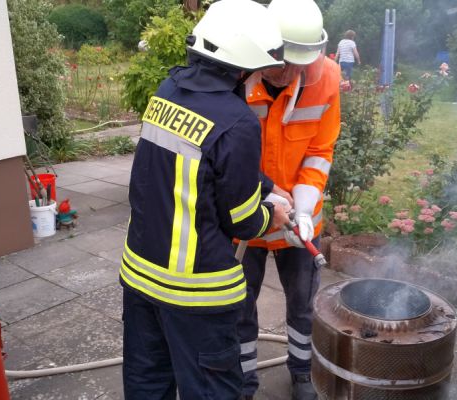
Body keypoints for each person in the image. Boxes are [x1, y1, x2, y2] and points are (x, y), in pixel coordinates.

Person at [119, 0, 290, 399]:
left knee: (147, 384)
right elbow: (243, 221)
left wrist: (264, 184)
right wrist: (275, 214)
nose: (261, 78)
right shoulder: (239, 120)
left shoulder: (168, 90)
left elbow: (203, 161)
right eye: (262, 69)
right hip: (196, 293)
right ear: (244, 64)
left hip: (141, 276)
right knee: (210, 390)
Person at [238, 0, 341, 399]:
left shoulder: (327, 77)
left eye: (303, 63)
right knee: (238, 307)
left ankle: (301, 371)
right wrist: (263, 197)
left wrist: (301, 207)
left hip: (300, 222)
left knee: (302, 304)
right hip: (244, 218)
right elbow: (225, 153)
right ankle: (244, 379)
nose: (294, 73)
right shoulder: (239, 75)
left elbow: (320, 151)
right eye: (285, 63)